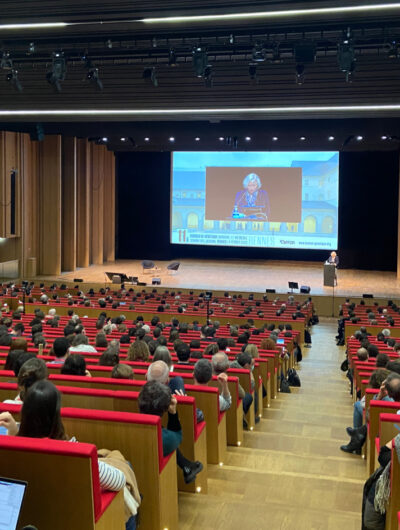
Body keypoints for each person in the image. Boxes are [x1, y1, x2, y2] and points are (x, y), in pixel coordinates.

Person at [0, 380, 137, 529]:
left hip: (25, 519)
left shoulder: (9, 448)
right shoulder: (74, 453)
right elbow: (119, 480)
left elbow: (28, 442)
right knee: (124, 482)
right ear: (56, 416)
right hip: (73, 521)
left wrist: (14, 433)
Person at [138, 381, 203, 484]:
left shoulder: (126, 423)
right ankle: (187, 466)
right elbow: (177, 436)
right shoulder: (162, 437)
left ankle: (186, 466)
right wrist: (173, 413)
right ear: (164, 409)